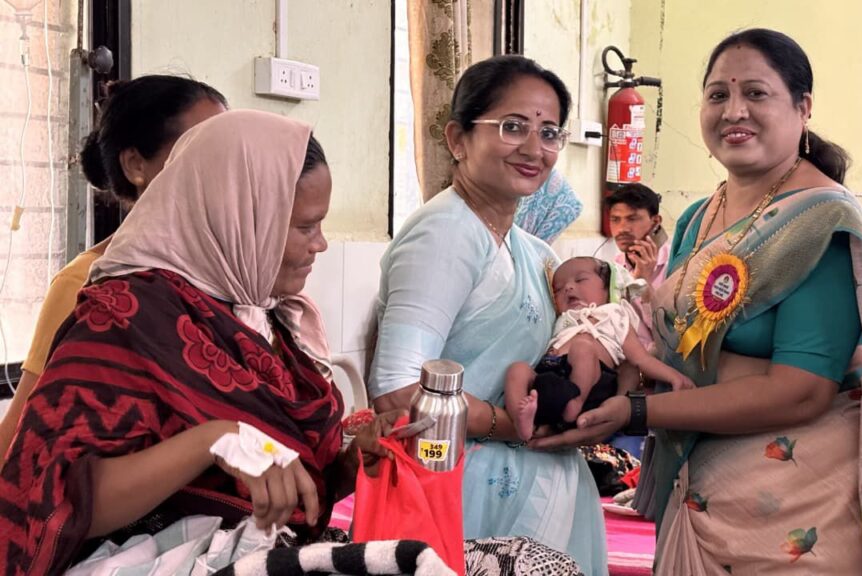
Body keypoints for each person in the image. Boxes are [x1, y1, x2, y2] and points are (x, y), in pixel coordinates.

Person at [533, 29, 862, 575]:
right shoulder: (700, 216)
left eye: (756, 93)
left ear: (803, 107)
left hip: (796, 511)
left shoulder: (821, 223)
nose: (733, 111)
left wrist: (637, 411)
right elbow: (677, 347)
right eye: (718, 94)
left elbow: (801, 392)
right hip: (698, 494)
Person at [0, 110, 401, 575]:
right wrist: (215, 440)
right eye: (305, 227)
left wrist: (354, 464)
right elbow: (53, 495)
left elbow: (295, 486)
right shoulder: (127, 317)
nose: (321, 244)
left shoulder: (273, 318)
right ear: (242, 219)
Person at [369, 55, 607, 574]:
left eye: (549, 132)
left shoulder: (534, 252)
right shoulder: (445, 233)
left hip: (541, 485)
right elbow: (398, 390)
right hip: (468, 493)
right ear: (458, 139)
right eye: (513, 126)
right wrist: (511, 425)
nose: (534, 148)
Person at [0, 75, 227, 461]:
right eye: (203, 155)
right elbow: (21, 442)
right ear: (136, 165)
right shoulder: (87, 283)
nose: (227, 173)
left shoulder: (231, 280)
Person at [505, 256, 691, 441]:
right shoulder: (561, 320)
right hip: (550, 378)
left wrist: (673, 376)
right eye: (558, 289)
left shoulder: (615, 315)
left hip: (594, 384)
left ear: (608, 287)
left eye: (580, 280)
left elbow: (641, 359)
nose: (568, 287)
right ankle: (522, 422)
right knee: (517, 369)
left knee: (582, 347)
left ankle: (575, 401)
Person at [607, 183, 670, 291]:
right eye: (615, 220)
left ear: (655, 221)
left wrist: (643, 281)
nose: (622, 229)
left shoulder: (677, 264)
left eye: (632, 219)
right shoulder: (613, 268)